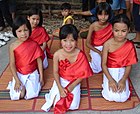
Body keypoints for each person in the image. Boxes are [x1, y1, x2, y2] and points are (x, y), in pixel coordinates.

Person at [41, 24, 93, 113]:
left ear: (76, 41)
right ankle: (52, 93)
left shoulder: (80, 55)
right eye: (65, 40)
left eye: (72, 40)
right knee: (55, 103)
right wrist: (60, 88)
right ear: (60, 41)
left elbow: (83, 74)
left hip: (74, 81)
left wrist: (72, 86)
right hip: (61, 80)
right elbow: (56, 72)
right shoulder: (57, 54)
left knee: (73, 105)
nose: (68, 44)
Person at [101, 14, 138, 102]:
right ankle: (104, 84)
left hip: (122, 71)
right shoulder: (107, 44)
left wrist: (123, 80)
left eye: (123, 31)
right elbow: (103, 64)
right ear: (112, 29)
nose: (120, 34)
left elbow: (129, 65)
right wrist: (110, 80)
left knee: (122, 98)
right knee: (110, 96)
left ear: (128, 30)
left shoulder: (130, 45)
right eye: (116, 30)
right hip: (109, 71)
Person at [7, 16, 44, 100]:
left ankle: (30, 84)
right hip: (19, 73)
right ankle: (15, 82)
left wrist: (41, 77)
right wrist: (17, 80)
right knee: (18, 96)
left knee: (31, 95)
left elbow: (39, 61)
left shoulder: (34, 44)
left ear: (29, 30)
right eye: (19, 31)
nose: (23, 34)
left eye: (26, 30)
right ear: (14, 32)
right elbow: (12, 64)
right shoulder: (12, 46)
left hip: (32, 72)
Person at [86, 2, 113, 73]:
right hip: (96, 49)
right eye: (100, 14)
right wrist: (99, 52)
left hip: (107, 48)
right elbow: (87, 44)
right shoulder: (93, 26)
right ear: (96, 14)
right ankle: (86, 63)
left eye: (106, 14)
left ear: (109, 14)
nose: (103, 17)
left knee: (112, 65)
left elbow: (113, 40)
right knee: (97, 69)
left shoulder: (111, 26)